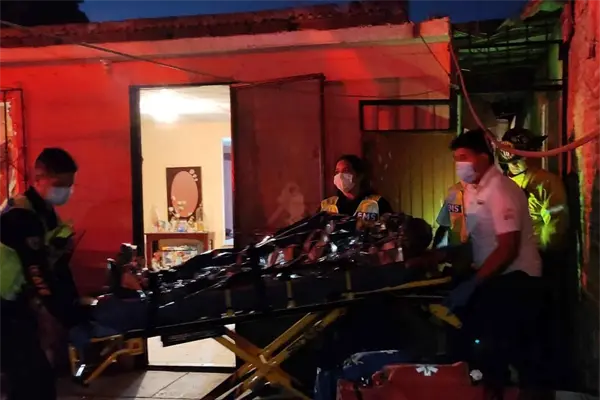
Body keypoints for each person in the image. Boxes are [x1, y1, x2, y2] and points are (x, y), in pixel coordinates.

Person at [442, 129, 544, 399]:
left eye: (464, 157)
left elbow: (508, 248)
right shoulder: (470, 191)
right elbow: (475, 240)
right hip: (493, 277)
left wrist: (473, 284)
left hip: (516, 280)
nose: (459, 165)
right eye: (456, 159)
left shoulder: (500, 190)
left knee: (512, 354)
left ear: (484, 158)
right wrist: (438, 257)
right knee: (483, 351)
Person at [0, 148, 88, 400]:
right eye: (60, 184)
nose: (66, 191)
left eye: (70, 185)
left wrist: (72, 304)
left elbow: (56, 266)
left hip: (17, 304)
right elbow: (37, 271)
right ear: (39, 177)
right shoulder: (20, 216)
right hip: (4, 306)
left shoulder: (46, 215)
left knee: (30, 378)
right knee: (32, 379)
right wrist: (60, 313)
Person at [497, 128, 571, 387]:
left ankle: (538, 382)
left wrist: (540, 256)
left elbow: (556, 226)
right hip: (508, 267)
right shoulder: (501, 186)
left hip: (538, 265)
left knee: (538, 329)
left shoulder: (545, 181)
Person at [320, 154, 393, 222]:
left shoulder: (377, 203)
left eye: (346, 171)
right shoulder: (326, 205)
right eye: (337, 172)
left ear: (360, 175)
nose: (340, 176)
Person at [433, 181, 470, 249]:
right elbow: (444, 225)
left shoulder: (455, 192)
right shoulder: (456, 193)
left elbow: (443, 225)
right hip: (459, 246)